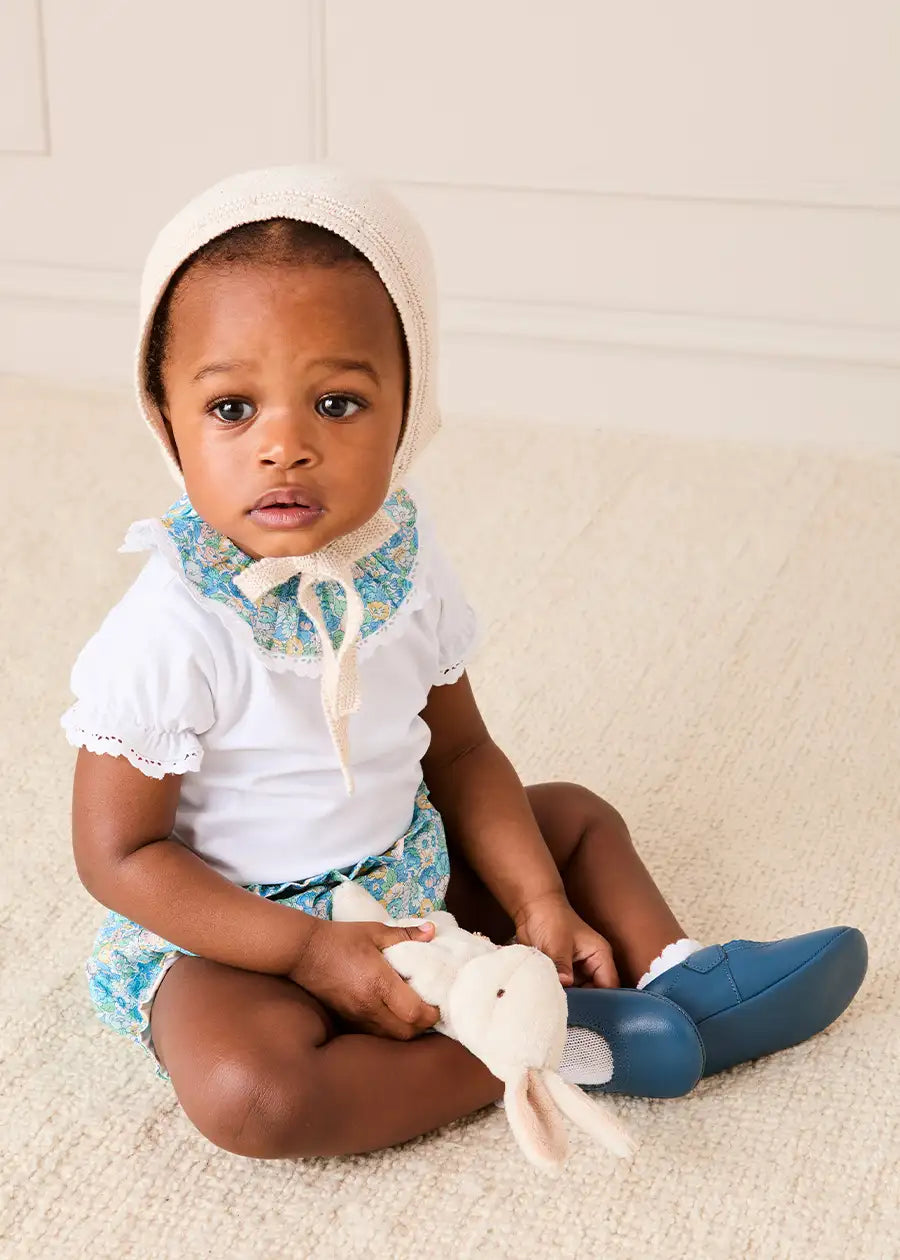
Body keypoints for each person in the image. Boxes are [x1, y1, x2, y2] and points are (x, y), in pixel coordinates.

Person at [62, 166, 867, 1160]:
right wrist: (310, 950)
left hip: (406, 872)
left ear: (410, 410)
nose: (285, 445)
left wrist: (537, 902)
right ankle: (543, 1043)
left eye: (338, 402)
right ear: (167, 421)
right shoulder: (171, 624)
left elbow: (465, 751)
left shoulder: (403, 560)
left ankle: (673, 975)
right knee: (252, 1094)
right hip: (241, 932)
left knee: (569, 817)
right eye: (232, 410)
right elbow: (121, 857)